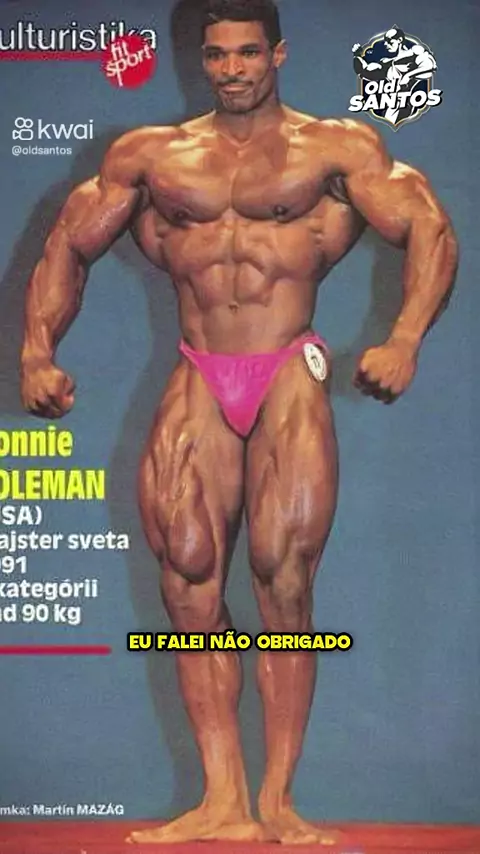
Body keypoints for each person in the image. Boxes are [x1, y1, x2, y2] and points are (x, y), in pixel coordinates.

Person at [20, 0, 458, 845]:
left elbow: (428, 226)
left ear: (277, 55)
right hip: (200, 367)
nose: (232, 70)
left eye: (248, 53)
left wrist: (404, 339)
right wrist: (37, 351)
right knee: (186, 575)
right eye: (217, 54)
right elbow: (67, 245)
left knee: (282, 574)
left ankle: (280, 800)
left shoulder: (336, 149)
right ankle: (221, 799)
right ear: (202, 60)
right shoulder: (151, 157)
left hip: (288, 362)